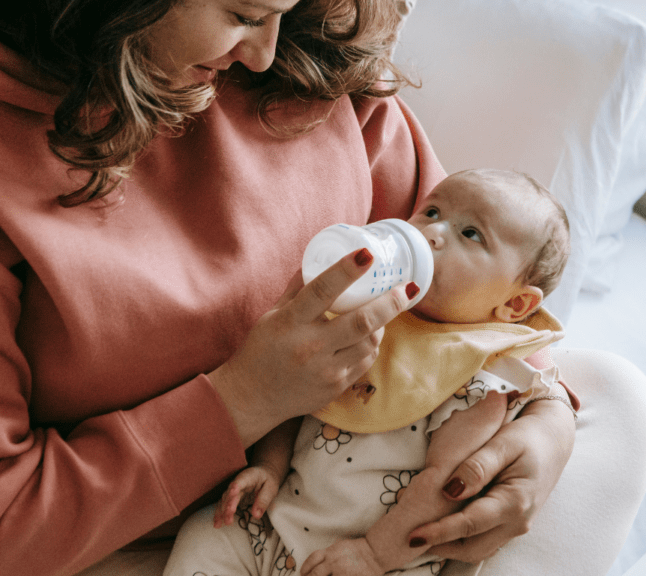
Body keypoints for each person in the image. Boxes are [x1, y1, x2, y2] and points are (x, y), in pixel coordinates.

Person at [0, 2, 579, 574]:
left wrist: (546, 426)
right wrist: (246, 400)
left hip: (348, 508)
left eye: (288, 8)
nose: (265, 54)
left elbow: (488, 283)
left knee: (627, 402)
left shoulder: (319, 57)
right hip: (123, 535)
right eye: (245, 15)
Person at [163, 168, 573, 576]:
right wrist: (270, 465)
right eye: (431, 212)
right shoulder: (363, 313)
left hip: (373, 558)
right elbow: (293, 394)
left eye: (471, 234)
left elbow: (445, 483)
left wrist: (375, 555)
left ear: (515, 306)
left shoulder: (477, 375)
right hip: (275, 526)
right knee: (206, 535)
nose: (434, 232)